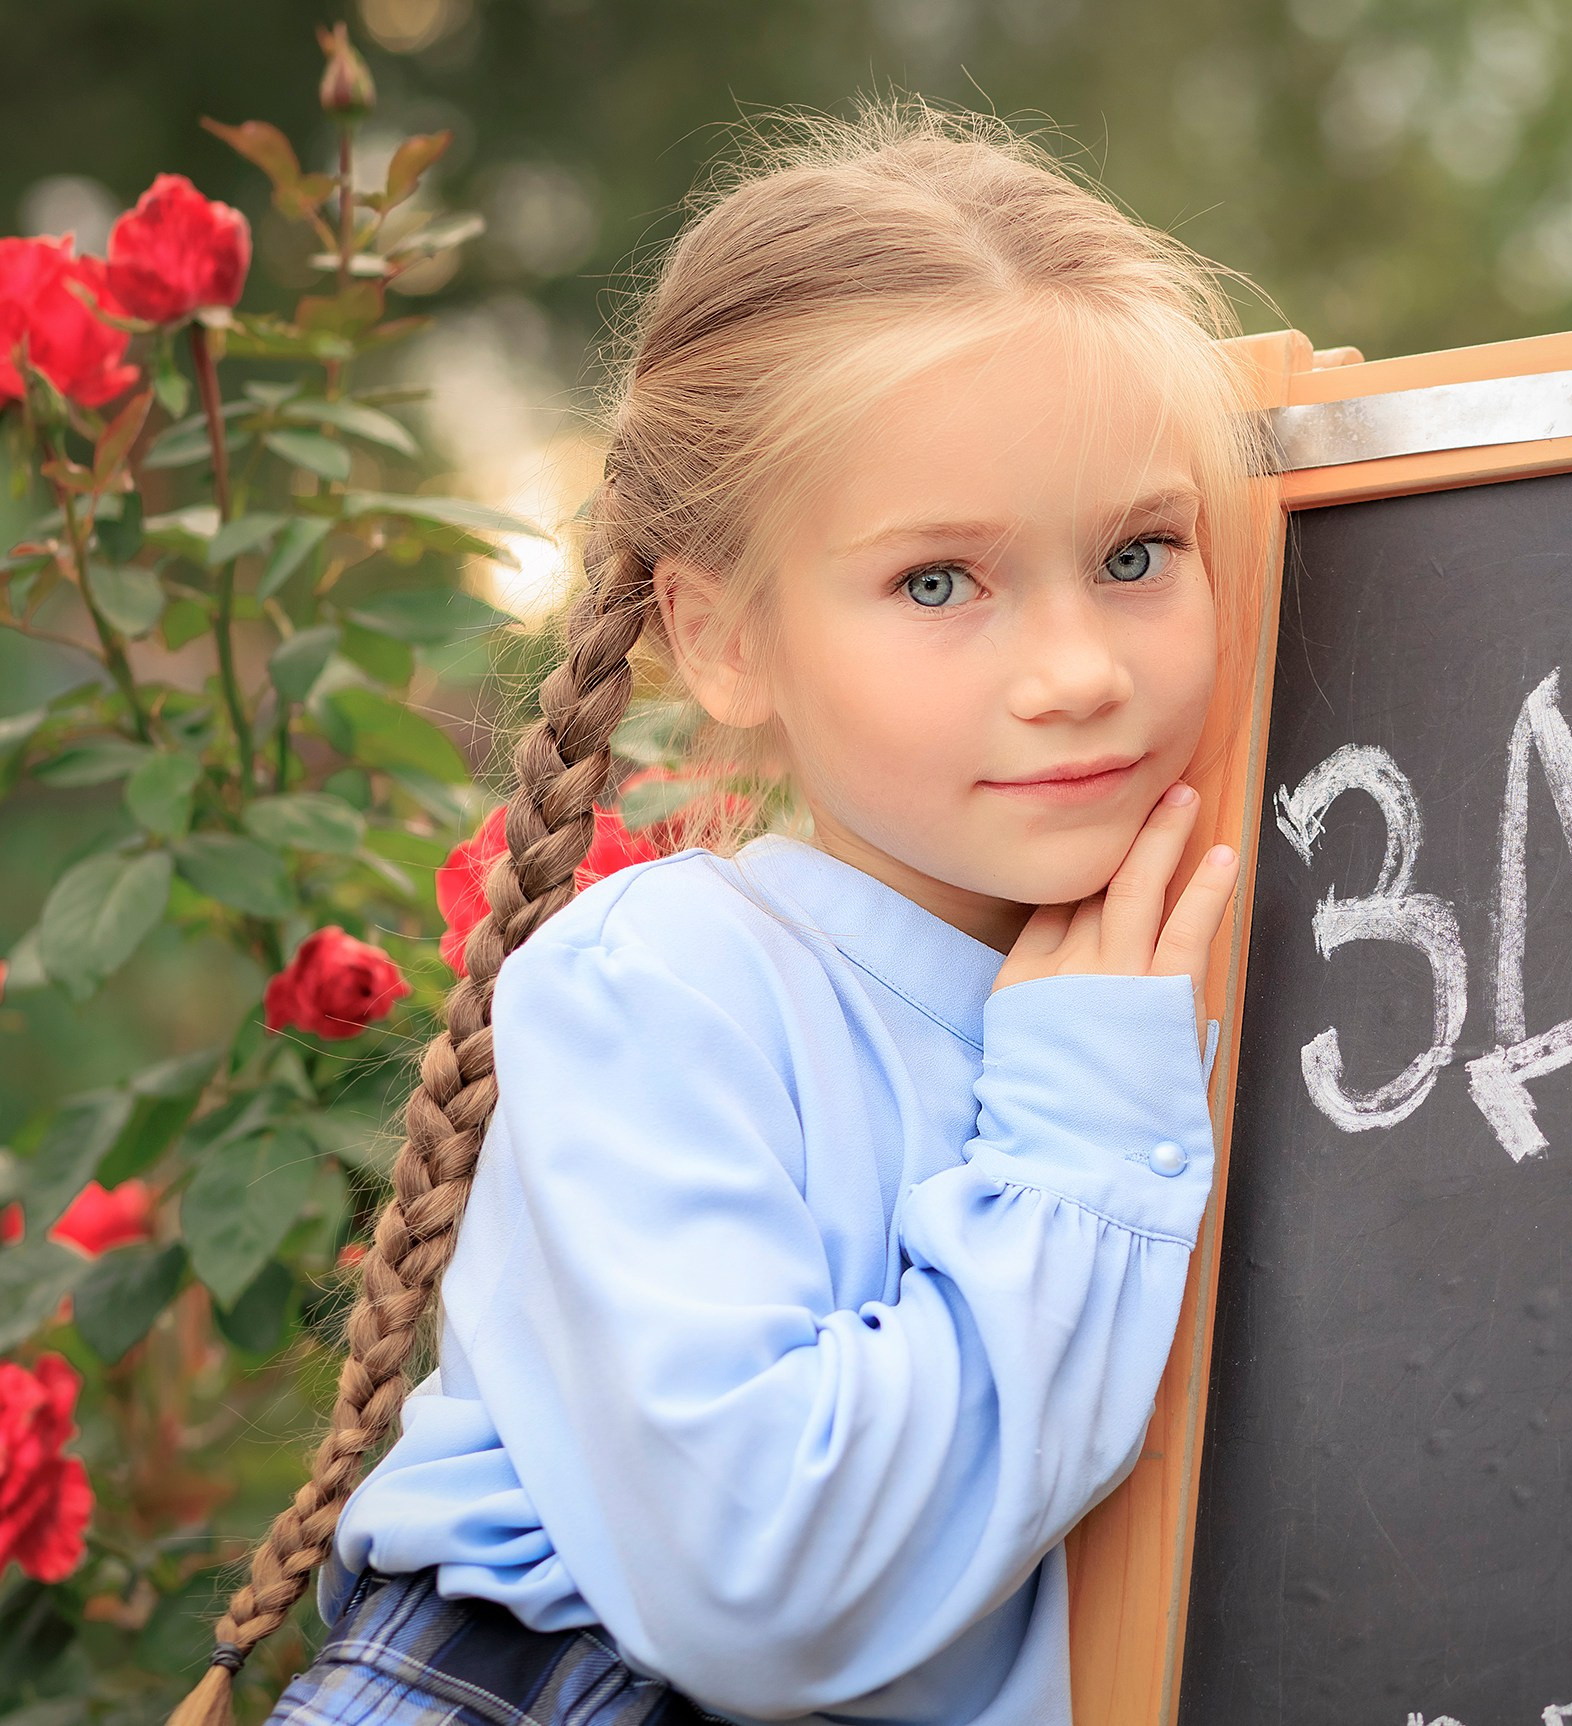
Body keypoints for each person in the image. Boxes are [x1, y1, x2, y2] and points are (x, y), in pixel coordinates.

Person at [168, 103, 1266, 1726]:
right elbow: (765, 1578)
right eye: (939, 582)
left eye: (1136, 552)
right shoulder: (665, 985)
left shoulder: (1207, 982)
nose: (1080, 673)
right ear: (725, 637)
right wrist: (1087, 1132)